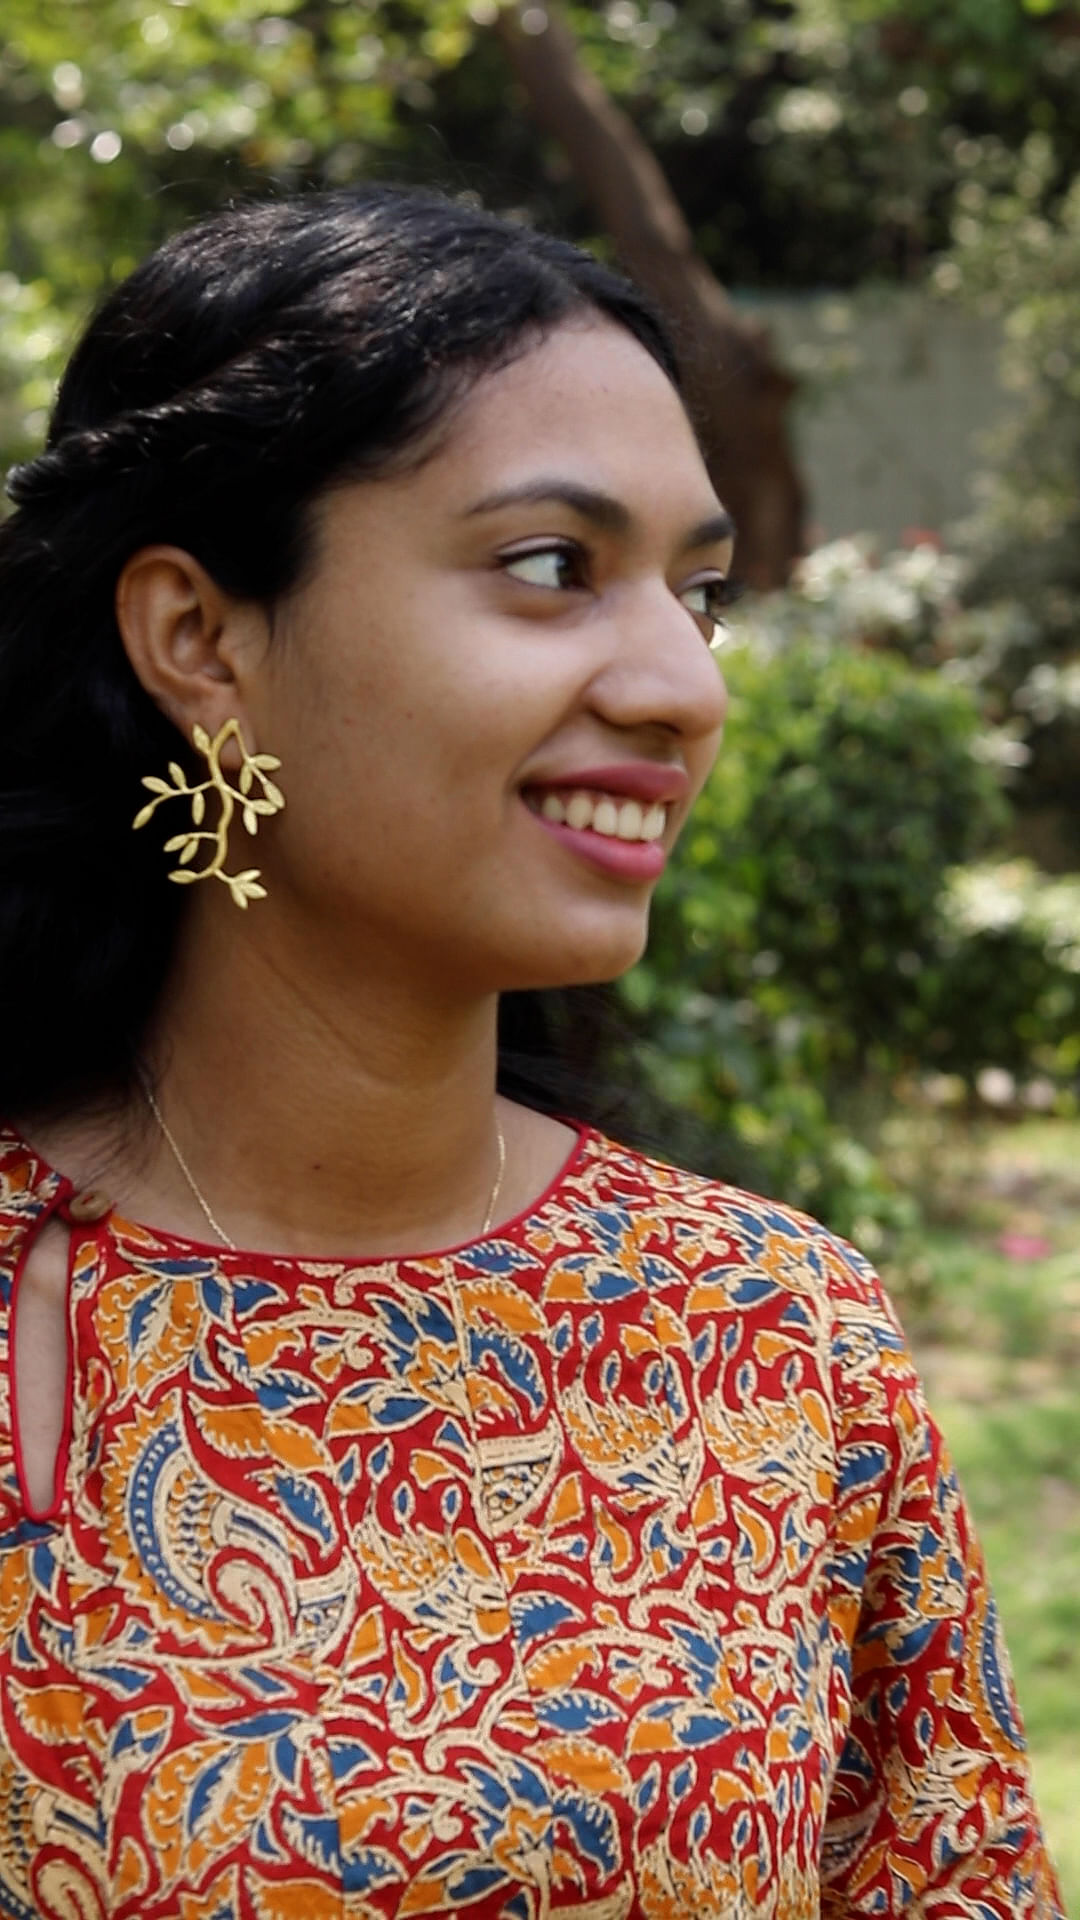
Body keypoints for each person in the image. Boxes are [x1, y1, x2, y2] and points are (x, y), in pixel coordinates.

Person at [0, 185, 1062, 1920]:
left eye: (697, 593)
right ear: (201, 638)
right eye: (553, 568)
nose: (680, 687)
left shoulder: (772, 1332)